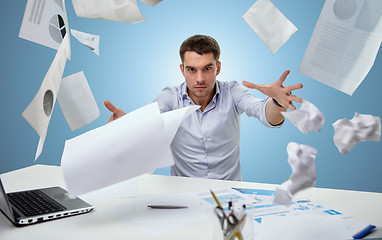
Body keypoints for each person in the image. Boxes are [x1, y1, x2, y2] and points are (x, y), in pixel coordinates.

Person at [104, 34, 303, 181]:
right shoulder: (170, 97)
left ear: (218, 67)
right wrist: (128, 125)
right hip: (183, 196)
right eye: (192, 70)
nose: (200, 78)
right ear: (182, 70)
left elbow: (264, 113)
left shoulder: (233, 91)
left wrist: (277, 103)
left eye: (207, 69)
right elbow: (149, 124)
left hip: (230, 197)